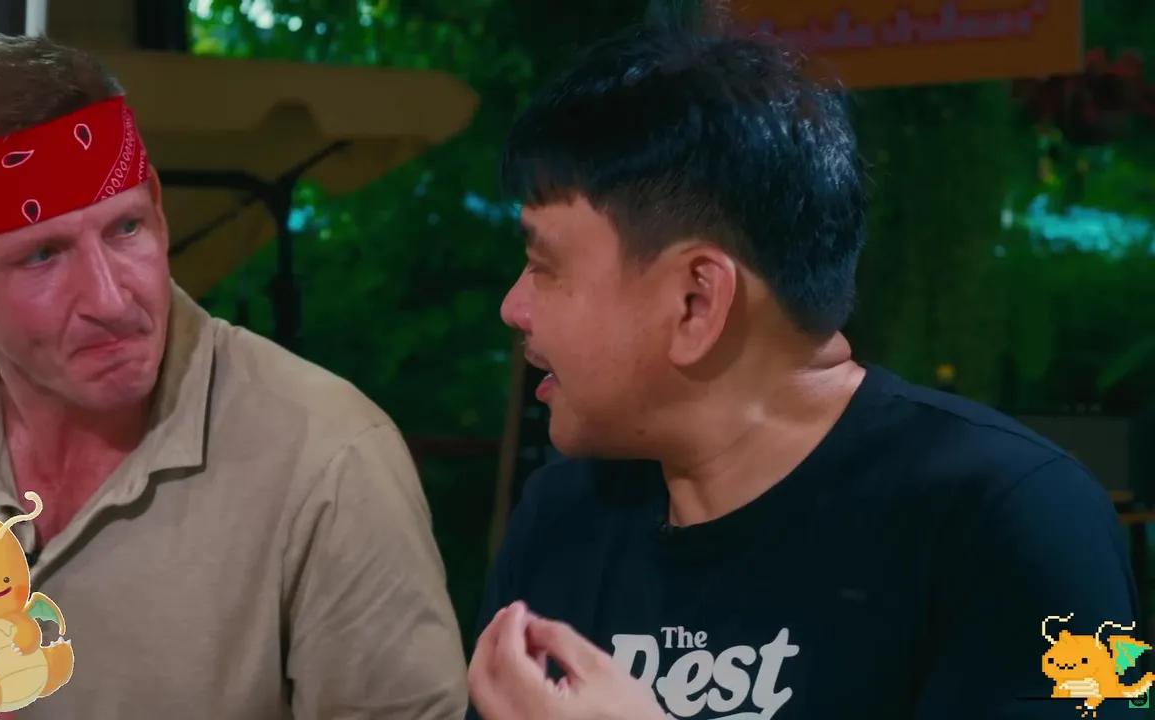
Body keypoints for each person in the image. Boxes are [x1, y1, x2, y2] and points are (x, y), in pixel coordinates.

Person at [466, 15, 1141, 720]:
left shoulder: (1024, 515)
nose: (515, 308)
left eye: (545, 267)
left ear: (696, 301)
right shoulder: (560, 519)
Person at [0, 36, 467, 720]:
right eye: (43, 256)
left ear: (157, 209)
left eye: (126, 229)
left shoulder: (332, 460)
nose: (110, 299)